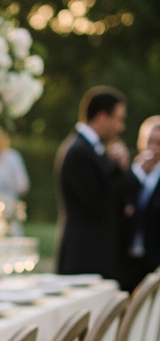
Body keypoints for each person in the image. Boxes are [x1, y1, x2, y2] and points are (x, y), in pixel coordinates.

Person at [55, 87, 130, 280]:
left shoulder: (92, 149)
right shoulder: (78, 152)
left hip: (93, 257)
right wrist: (120, 171)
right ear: (101, 116)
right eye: (118, 119)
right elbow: (97, 202)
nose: (120, 127)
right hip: (83, 259)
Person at [119, 116, 160, 293]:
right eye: (150, 141)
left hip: (154, 259)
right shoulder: (129, 173)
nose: (153, 148)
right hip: (127, 260)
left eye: (158, 143)